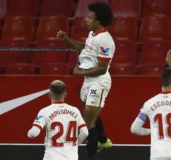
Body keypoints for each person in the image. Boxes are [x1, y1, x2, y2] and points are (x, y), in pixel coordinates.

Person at [57, 2, 114, 159]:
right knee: (91, 116)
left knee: (88, 121)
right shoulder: (92, 35)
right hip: (88, 80)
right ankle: (103, 140)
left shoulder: (106, 40)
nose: (86, 19)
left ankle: (91, 154)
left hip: (99, 81)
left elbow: (102, 68)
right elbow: (84, 48)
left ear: (99, 21)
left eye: (89, 17)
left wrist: (81, 71)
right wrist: (66, 38)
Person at [27, 80, 88, 160]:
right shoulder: (75, 110)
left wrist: (29, 133)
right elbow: (85, 132)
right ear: (65, 94)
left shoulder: (44, 111)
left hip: (51, 157)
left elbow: (33, 134)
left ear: (49, 95)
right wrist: (74, 145)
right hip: (71, 157)